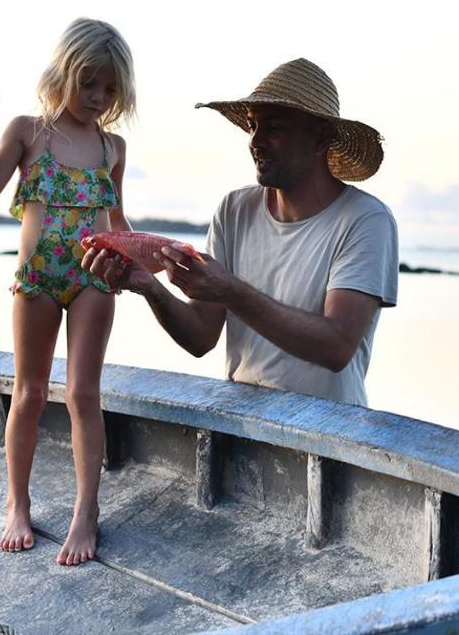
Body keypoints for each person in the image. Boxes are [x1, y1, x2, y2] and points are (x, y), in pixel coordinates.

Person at [83, 58, 397, 407]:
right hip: (246, 428)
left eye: (274, 128)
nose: (255, 141)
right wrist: (148, 286)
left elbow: (337, 346)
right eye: (251, 126)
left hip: (331, 437)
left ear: (321, 137)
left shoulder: (366, 220)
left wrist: (231, 292)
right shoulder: (234, 210)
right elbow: (201, 336)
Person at [0, 18, 136, 566]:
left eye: (110, 89)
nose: (98, 97)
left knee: (85, 394)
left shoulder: (112, 147)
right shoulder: (27, 131)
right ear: (64, 71)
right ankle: (19, 503)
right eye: (89, 82)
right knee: (31, 393)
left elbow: (118, 220)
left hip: (92, 277)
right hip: (38, 277)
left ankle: (87, 511)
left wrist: (148, 260)